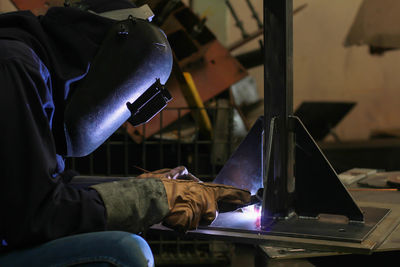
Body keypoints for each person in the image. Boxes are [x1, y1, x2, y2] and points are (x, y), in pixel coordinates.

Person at [0, 1, 251, 266]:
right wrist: (152, 198)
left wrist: (143, 188)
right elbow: (35, 215)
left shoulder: (32, 65)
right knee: (125, 250)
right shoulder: (14, 67)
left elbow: (45, 189)